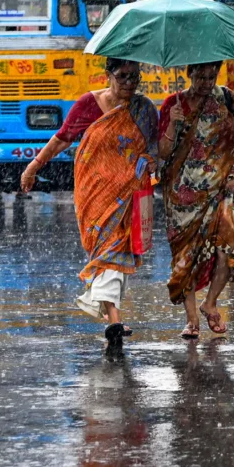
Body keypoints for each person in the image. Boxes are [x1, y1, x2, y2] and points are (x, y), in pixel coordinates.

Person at [21, 57, 157, 359]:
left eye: (135, 77)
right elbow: (62, 139)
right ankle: (114, 320)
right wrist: (33, 166)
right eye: (122, 76)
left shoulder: (144, 110)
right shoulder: (88, 105)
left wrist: (154, 167)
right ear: (107, 75)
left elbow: (155, 149)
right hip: (94, 193)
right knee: (108, 252)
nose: (129, 83)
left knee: (116, 253)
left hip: (129, 193)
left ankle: (114, 320)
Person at [159, 61, 234, 339]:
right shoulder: (173, 104)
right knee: (186, 258)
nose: (206, 83)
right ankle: (191, 320)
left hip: (222, 189)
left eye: (211, 76)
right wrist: (173, 124)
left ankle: (210, 303)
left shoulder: (227, 98)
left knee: (229, 248)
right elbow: (164, 152)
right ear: (189, 74)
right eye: (200, 76)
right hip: (182, 194)